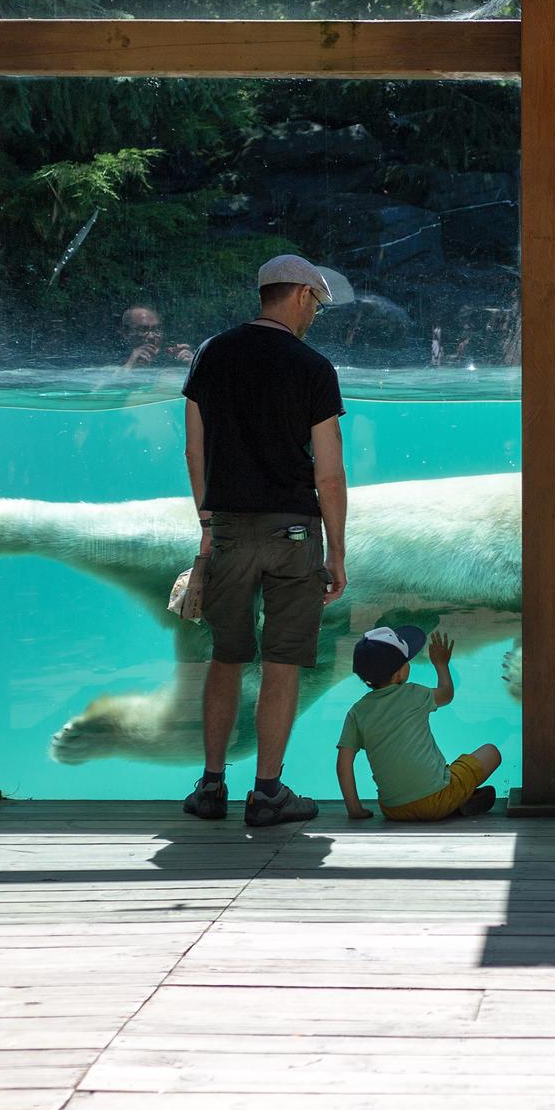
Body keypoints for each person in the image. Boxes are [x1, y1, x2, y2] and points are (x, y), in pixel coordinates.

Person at [180, 255, 350, 828]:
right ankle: (269, 792)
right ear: (301, 295)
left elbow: (194, 450)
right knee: (282, 663)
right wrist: (337, 551)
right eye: (317, 307)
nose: (315, 318)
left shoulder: (212, 355)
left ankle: (210, 786)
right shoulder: (312, 367)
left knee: (226, 657)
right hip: (293, 533)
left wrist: (208, 529)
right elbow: (328, 473)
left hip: (227, 529)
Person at [336, 624, 501, 822]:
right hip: (437, 798)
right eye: (407, 660)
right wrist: (441, 664)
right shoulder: (414, 694)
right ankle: (456, 802)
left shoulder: (356, 712)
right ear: (398, 673)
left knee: (440, 775)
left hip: (393, 809)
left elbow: (343, 764)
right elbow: (447, 694)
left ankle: (458, 801)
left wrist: (355, 810)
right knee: (491, 752)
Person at [119, 305, 194, 370]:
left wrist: (193, 364)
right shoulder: (113, 361)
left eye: (156, 329)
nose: (151, 336)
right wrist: (129, 366)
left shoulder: (170, 359)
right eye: (142, 330)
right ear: (126, 333)